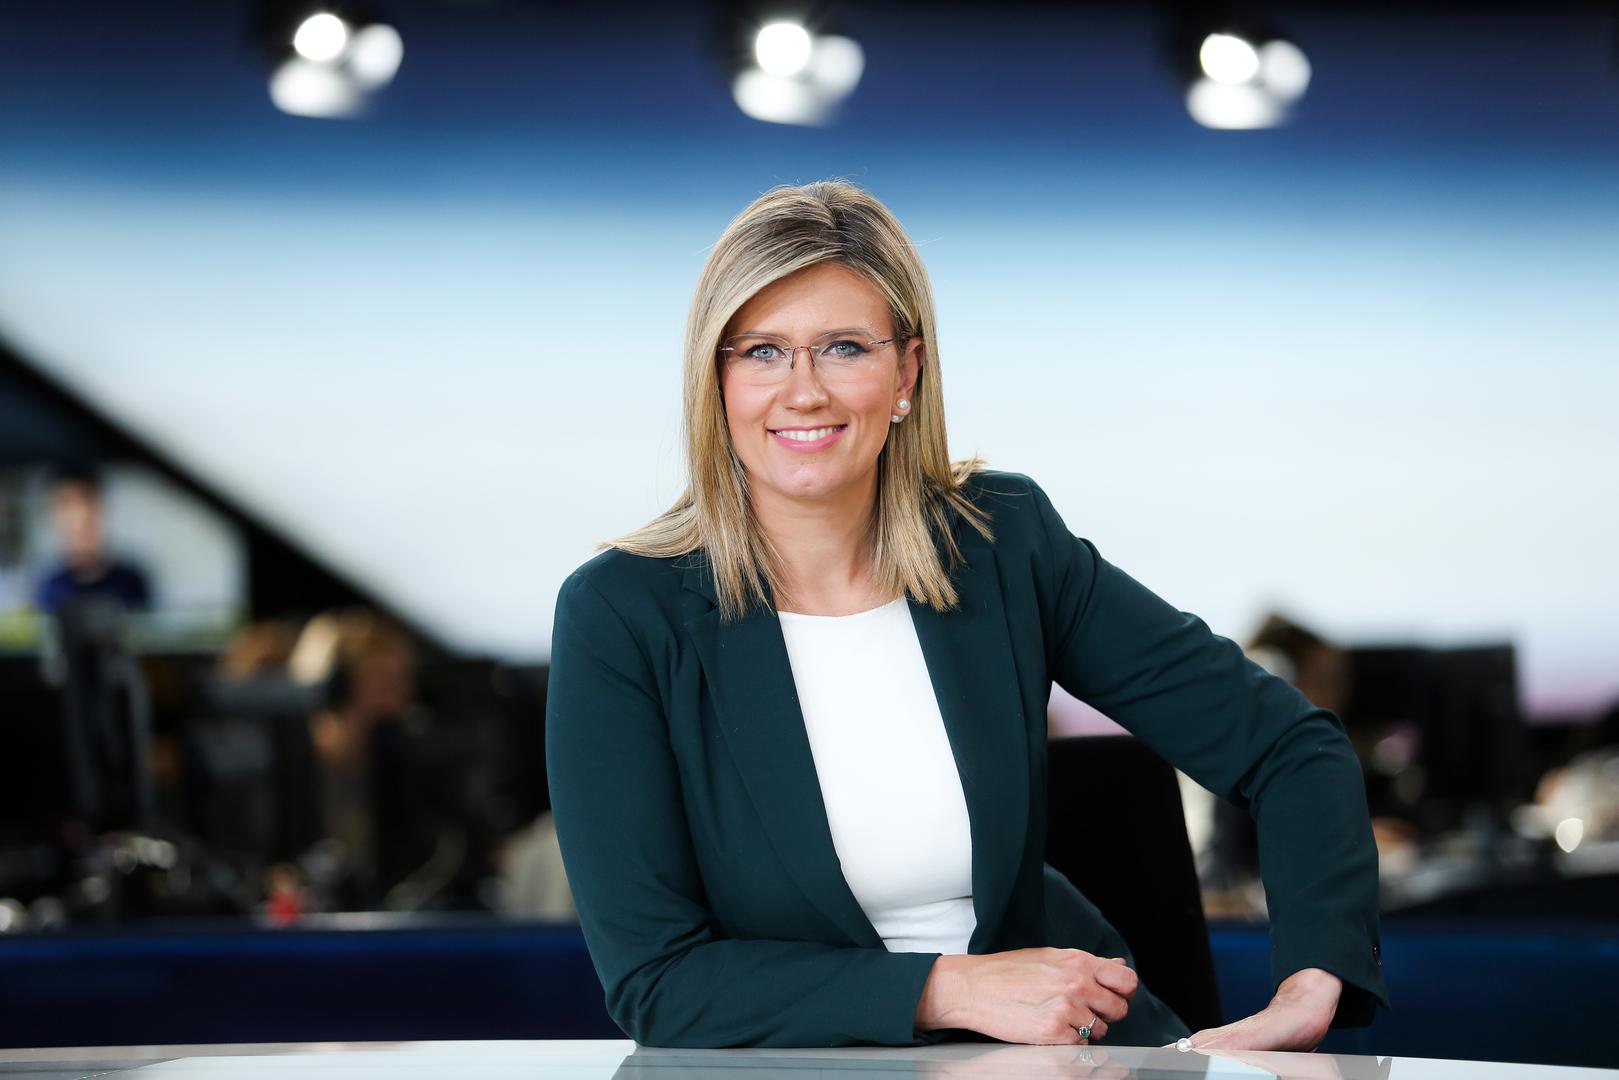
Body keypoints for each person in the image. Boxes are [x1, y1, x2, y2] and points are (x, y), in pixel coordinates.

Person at [545, 180, 1388, 1050]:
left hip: (1072, 1056)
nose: (802, 391)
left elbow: (1286, 746)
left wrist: (1312, 982)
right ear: (715, 378)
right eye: (761, 351)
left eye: (843, 348)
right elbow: (657, 982)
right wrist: (946, 988)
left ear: (906, 372)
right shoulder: (623, 613)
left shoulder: (1000, 543)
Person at [32, 464, 152, 616]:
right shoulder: (47, 589)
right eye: (66, 503)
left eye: (88, 500)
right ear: (53, 515)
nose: (81, 514)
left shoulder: (130, 583)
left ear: (100, 507)